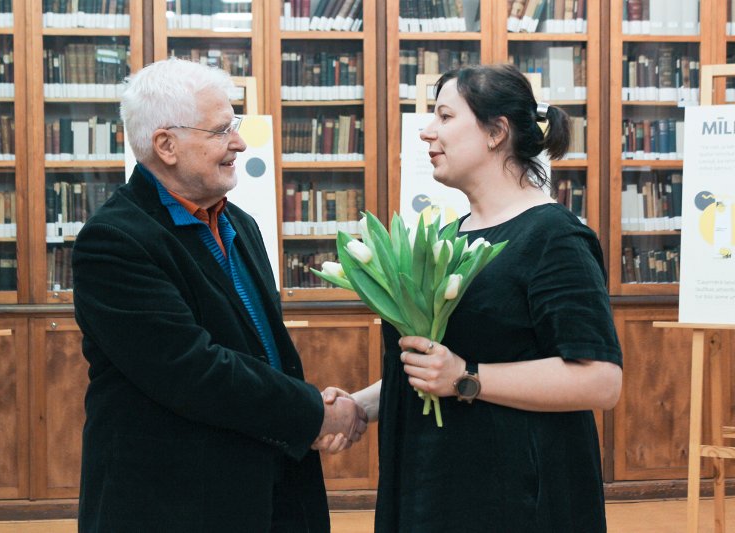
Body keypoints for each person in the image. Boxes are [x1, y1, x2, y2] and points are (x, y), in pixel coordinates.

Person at [321, 64, 623, 531]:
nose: (426, 132)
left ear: (496, 132)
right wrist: (359, 406)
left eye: (444, 116)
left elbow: (600, 380)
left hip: (513, 500)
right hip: (432, 487)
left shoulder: (553, 236)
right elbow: (432, 364)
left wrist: (469, 379)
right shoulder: (447, 238)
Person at [72, 58, 367, 532]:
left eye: (235, 126)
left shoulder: (239, 224)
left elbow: (261, 349)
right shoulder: (114, 241)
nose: (240, 143)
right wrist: (313, 411)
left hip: (269, 484)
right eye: (220, 130)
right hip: (176, 503)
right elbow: (193, 369)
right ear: (165, 144)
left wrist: (308, 410)